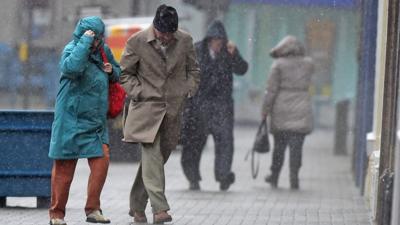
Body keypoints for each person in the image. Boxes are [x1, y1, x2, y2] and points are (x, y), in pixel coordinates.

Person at [119, 4, 200, 224]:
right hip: (146, 110)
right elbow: (124, 74)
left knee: (155, 161)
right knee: (152, 156)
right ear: (155, 27)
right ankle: (159, 209)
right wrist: (139, 92)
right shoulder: (137, 41)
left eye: (170, 33)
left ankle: (136, 206)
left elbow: (193, 69)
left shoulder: (185, 40)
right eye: (163, 33)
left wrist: (188, 89)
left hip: (173, 110)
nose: (166, 38)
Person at [48, 16, 121, 225]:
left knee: (102, 161)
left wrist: (112, 71)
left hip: (95, 122)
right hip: (70, 119)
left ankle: (93, 209)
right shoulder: (72, 49)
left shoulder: (103, 51)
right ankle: (57, 214)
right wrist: (85, 43)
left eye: (99, 38)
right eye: (94, 38)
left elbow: (118, 72)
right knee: (64, 168)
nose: (98, 43)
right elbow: (71, 68)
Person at [180, 20, 248, 191]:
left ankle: (224, 176)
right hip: (198, 106)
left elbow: (242, 69)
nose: (219, 45)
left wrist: (235, 55)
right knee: (193, 145)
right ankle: (193, 178)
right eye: (216, 41)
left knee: (225, 142)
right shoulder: (196, 51)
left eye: (222, 41)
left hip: (221, 107)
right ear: (209, 40)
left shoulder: (228, 52)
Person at [261, 35, 314, 190]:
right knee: (297, 148)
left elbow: (270, 90)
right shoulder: (308, 64)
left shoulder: (278, 65)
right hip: (301, 107)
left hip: (281, 108)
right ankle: (294, 177)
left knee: (279, 146)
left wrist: (265, 110)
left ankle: (274, 176)